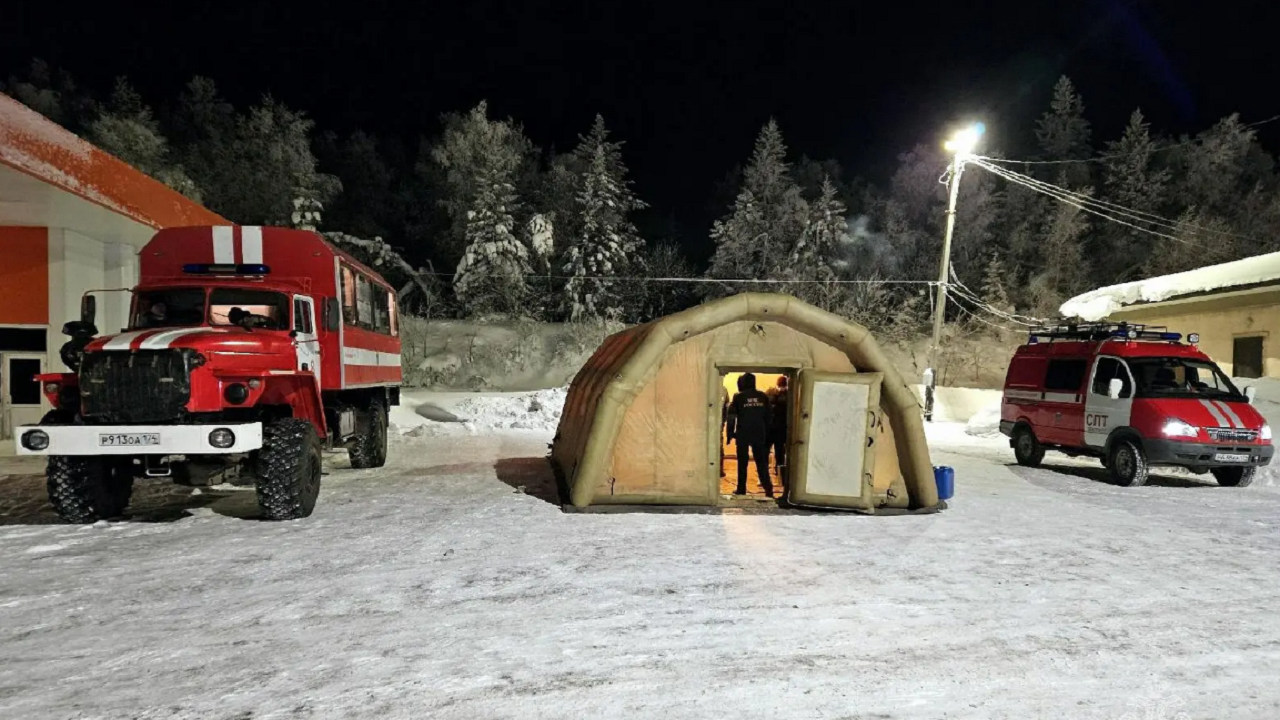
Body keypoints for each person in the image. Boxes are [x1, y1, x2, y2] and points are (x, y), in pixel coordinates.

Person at [726, 373, 773, 497]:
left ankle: (741, 488)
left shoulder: (738, 397)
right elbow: (769, 417)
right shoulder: (763, 396)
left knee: (742, 462)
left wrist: (730, 434)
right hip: (759, 433)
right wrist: (767, 433)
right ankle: (768, 489)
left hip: (743, 433)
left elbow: (731, 417)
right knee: (761, 462)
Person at [766, 375, 790, 492]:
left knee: (778, 453)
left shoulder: (773, 393)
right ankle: (775, 474)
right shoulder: (776, 393)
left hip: (774, 428)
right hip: (777, 428)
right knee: (778, 452)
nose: (782, 388)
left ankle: (776, 474)